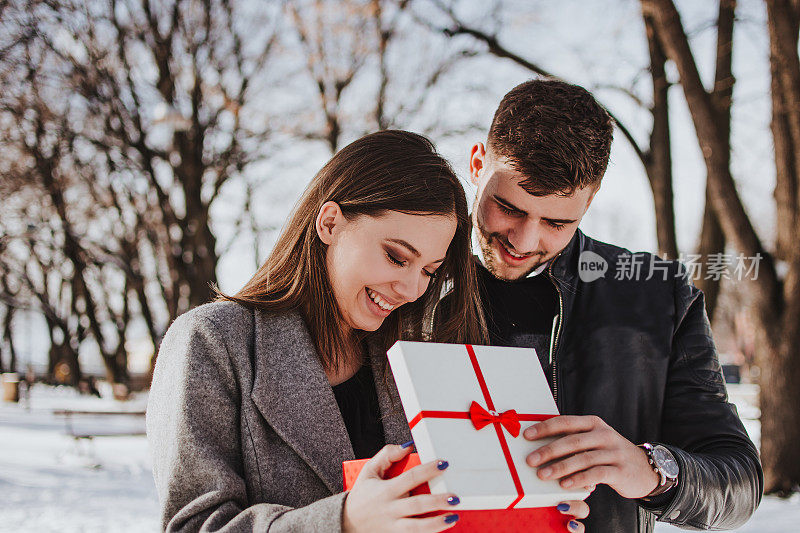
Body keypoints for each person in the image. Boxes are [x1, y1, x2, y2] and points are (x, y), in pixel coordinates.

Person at [146, 130, 589, 532]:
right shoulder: (213, 342)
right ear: (330, 222)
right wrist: (344, 522)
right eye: (397, 257)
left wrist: (523, 515)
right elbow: (192, 526)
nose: (411, 289)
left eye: (429, 272)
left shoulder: (412, 357)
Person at [464, 80, 763, 532]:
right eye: (508, 208)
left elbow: (739, 479)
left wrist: (651, 472)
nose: (523, 241)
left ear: (593, 196)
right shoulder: (405, 284)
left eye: (557, 222)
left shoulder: (658, 296)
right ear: (477, 163)